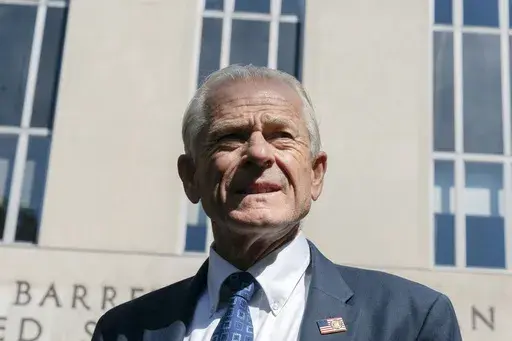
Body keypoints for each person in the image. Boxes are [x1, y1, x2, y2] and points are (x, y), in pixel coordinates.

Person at [92, 65, 462, 341]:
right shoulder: (124, 330)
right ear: (191, 177)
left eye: (281, 136)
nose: (258, 153)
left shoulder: (411, 320)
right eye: (231, 138)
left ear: (316, 174)